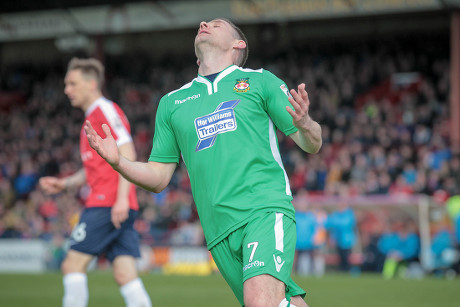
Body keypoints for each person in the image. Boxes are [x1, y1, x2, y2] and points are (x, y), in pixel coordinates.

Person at [84, 18, 322, 307]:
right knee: (282, 302)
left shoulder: (261, 81)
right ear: (196, 55)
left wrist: (306, 124)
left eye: (217, 24)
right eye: (204, 23)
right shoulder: (172, 103)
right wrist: (119, 162)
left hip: (263, 208)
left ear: (239, 44)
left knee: (261, 302)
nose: (204, 23)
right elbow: (159, 176)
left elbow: (312, 143)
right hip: (217, 230)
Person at [39, 58, 152, 307]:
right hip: (117, 204)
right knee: (125, 274)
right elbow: (93, 168)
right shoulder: (93, 117)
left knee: (72, 265)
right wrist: (66, 183)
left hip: (107, 203)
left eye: (72, 83)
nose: (67, 89)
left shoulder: (105, 110)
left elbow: (128, 152)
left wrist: (121, 198)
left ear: (91, 84)